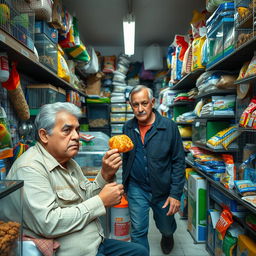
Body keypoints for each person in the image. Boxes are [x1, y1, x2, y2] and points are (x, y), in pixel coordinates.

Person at [6, 102, 148, 256]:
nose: (76, 136)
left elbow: (86, 195)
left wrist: (105, 174)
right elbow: (48, 223)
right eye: (67, 130)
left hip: (94, 243)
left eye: (77, 130)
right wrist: (101, 201)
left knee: (140, 252)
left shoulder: (68, 161)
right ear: (44, 135)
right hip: (72, 252)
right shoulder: (30, 168)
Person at [122, 85, 185, 255]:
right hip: (137, 188)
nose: (140, 109)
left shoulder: (169, 127)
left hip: (163, 190)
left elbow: (179, 161)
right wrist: (125, 185)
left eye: (144, 103)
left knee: (166, 227)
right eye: (135, 105)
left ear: (153, 102)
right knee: (138, 231)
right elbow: (126, 158)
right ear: (131, 106)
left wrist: (175, 194)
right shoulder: (127, 128)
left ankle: (168, 235)